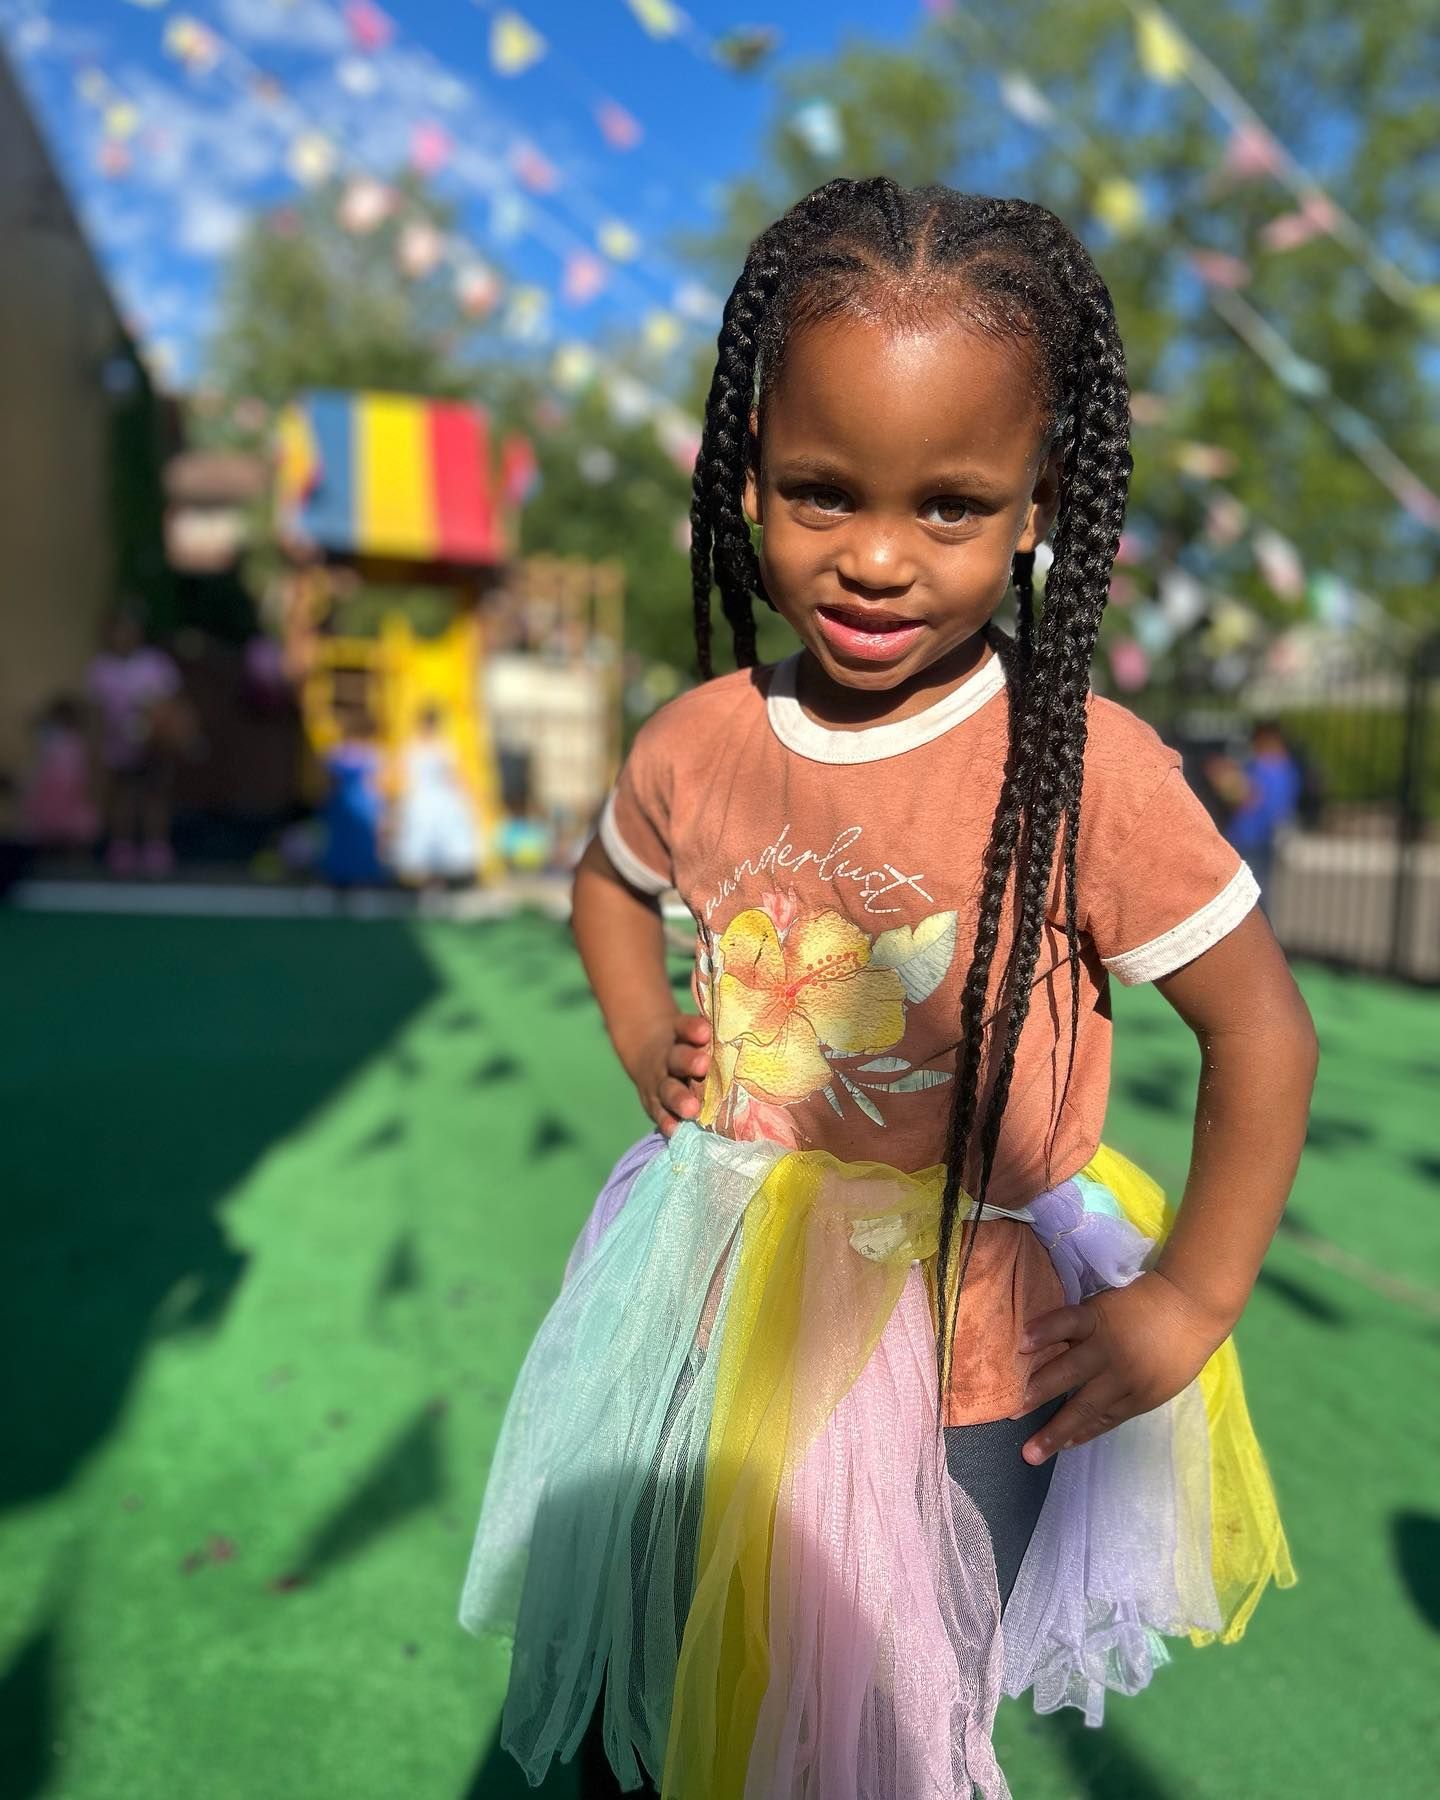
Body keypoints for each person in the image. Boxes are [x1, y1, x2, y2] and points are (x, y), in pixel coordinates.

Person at [460, 181, 1318, 1799]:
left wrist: (1194, 1301)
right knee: (676, 1675)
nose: (871, 557)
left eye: (947, 505)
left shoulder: (1084, 772)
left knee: (894, 1715)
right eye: (819, 491)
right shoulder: (700, 739)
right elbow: (603, 881)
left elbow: (1263, 1028)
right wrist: (649, 1026)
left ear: (1038, 503)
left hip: (964, 1349)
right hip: (707, 1311)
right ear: (746, 473)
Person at [86, 606, 184, 877]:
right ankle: (122, 847)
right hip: (119, 748)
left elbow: (171, 703)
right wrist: (96, 749)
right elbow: (96, 715)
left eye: (129, 629)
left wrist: (157, 724)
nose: (124, 636)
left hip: (154, 746)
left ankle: (156, 847)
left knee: (155, 795)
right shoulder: (101, 669)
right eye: (118, 630)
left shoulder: (155, 663)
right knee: (124, 797)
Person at [1217, 719, 1304, 913]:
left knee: (1247, 898)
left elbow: (1248, 798)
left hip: (1251, 837)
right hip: (1263, 837)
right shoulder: (1287, 767)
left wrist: (1225, 779)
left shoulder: (1264, 766)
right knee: (1258, 891)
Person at [392, 705, 480, 888]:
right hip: (420, 800)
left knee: (443, 845)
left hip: (438, 800)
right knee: (420, 845)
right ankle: (424, 882)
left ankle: (439, 881)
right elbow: (401, 774)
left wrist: (467, 798)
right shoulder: (412, 747)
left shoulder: (444, 747)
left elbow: (455, 776)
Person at [20, 697, 99, 856]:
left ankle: (70, 858)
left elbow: (82, 769)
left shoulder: (78, 739)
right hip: (50, 789)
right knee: (48, 828)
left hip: (70, 791)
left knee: (71, 830)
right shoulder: (51, 736)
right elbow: (32, 723)